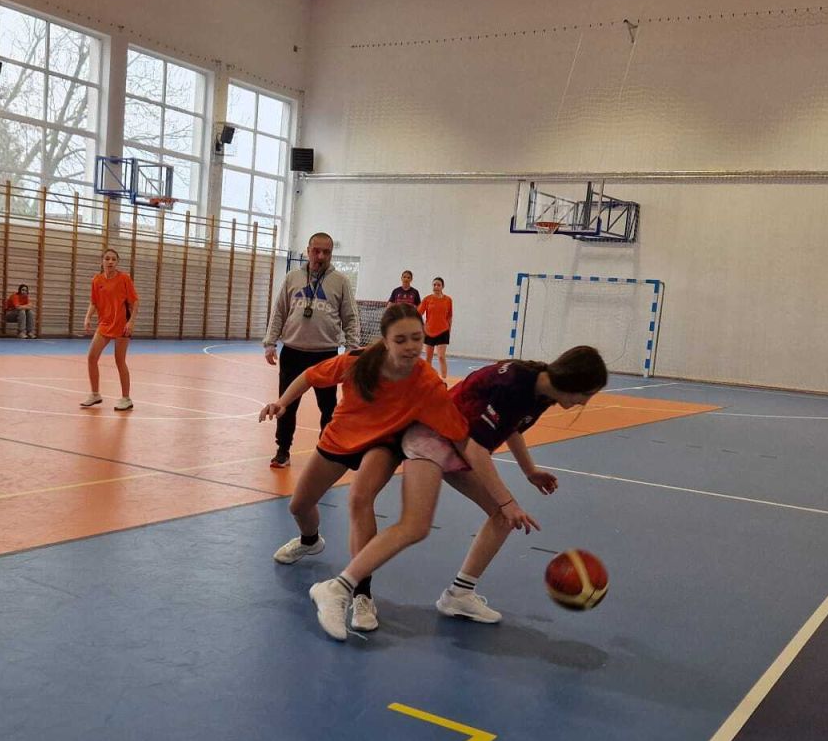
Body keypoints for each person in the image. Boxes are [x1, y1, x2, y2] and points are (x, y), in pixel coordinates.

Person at [259, 304, 534, 641]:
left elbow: (461, 438)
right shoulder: (358, 362)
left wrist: (500, 493)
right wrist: (282, 402)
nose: (410, 346)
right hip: (341, 437)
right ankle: (310, 541)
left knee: (360, 499)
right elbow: (310, 376)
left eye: (417, 338)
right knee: (300, 505)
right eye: (401, 339)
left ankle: (360, 595)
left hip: (384, 442)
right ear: (385, 341)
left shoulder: (427, 383)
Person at [431, 349, 608, 622]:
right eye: (587, 394)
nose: (584, 402)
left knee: (501, 517)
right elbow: (475, 449)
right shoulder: (514, 384)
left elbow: (510, 427)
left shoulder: (541, 391)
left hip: (453, 443)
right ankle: (362, 584)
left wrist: (529, 471)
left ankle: (459, 594)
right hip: (439, 441)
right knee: (415, 527)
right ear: (572, 382)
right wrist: (508, 502)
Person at [262, 232, 360, 470]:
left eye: (326, 252)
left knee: (328, 408)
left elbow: (350, 317)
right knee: (286, 405)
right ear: (308, 251)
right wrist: (270, 342)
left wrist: (352, 350)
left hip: (325, 355)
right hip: (293, 352)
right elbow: (279, 311)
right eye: (316, 251)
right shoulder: (292, 278)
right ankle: (282, 451)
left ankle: (327, 452)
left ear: (331, 254)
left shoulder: (340, 281)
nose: (321, 256)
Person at [81, 248, 138, 410]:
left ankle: (126, 398)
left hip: (122, 324)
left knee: (119, 361)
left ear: (117, 262)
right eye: (107, 258)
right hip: (104, 324)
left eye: (113, 259)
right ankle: (95, 394)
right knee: (92, 357)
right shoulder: (97, 280)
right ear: (102, 261)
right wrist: (88, 317)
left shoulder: (124, 278)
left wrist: (131, 322)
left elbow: (135, 302)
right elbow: (94, 302)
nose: (110, 262)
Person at [419, 277, 453, 380]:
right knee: (428, 358)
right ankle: (428, 379)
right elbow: (418, 313)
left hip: (443, 331)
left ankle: (444, 379)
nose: (436, 287)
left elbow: (450, 316)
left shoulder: (448, 300)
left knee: (441, 357)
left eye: (438, 285)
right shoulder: (427, 299)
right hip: (429, 331)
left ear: (442, 286)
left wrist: (449, 329)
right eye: (434, 285)